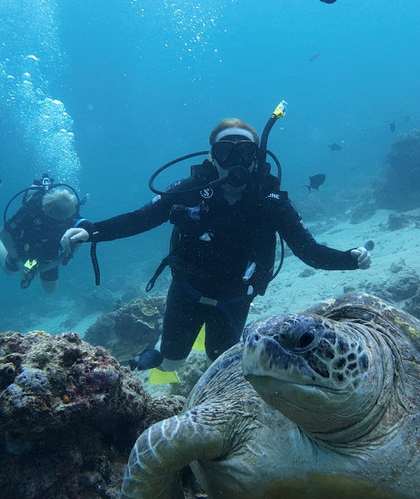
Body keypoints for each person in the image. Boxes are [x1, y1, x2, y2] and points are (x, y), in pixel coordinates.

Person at [60, 117, 371, 372]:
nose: (235, 161)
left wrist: (350, 258)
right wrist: (92, 231)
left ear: (256, 157)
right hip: (187, 288)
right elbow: (140, 219)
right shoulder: (187, 191)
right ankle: (160, 345)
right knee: (171, 361)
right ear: (212, 156)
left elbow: (310, 252)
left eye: (244, 152)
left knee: (219, 359)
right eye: (225, 151)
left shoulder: (271, 202)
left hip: (237, 294)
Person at [0, 175, 82, 293]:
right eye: (54, 219)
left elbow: (80, 239)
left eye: (61, 220)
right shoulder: (31, 211)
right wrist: (17, 261)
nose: (57, 223)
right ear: (45, 210)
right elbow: (5, 233)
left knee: (50, 289)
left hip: (50, 249)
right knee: (10, 270)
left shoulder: (73, 215)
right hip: (28, 243)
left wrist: (56, 262)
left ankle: (33, 269)